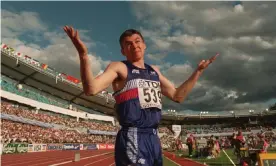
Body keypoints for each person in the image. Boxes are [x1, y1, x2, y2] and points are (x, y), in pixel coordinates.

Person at [63, 26, 219, 166]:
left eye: (137, 41)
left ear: (144, 45)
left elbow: (178, 96)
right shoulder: (120, 68)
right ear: (123, 51)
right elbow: (91, 89)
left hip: (153, 138)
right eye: (128, 44)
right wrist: (83, 55)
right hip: (133, 136)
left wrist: (197, 72)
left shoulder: (154, 71)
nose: (134, 45)